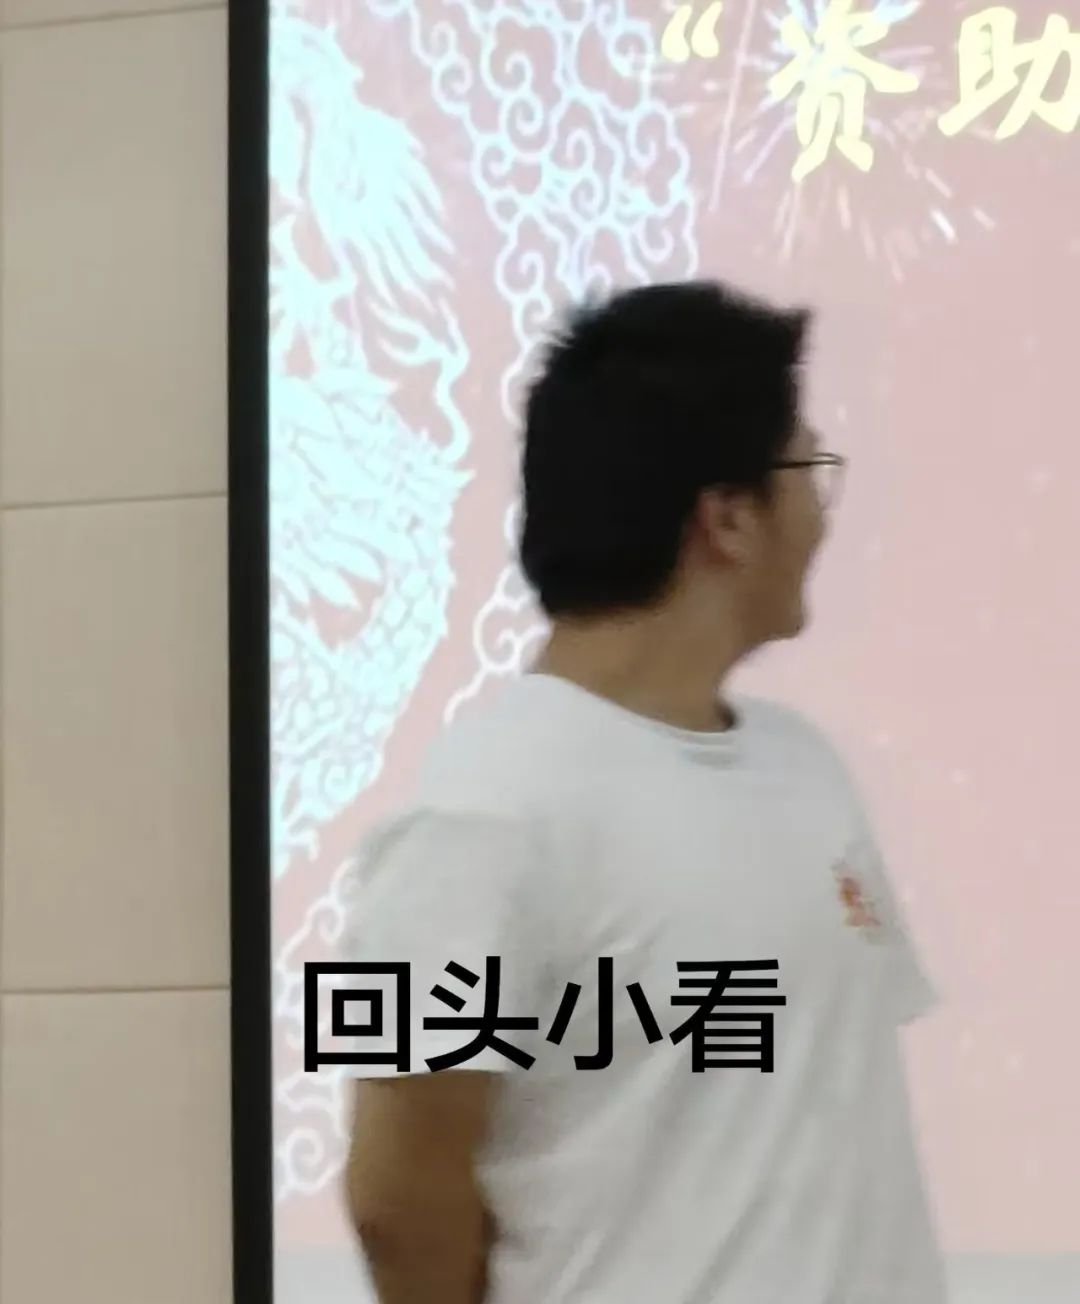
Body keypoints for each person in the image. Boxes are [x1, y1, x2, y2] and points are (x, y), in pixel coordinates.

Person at [341, 280, 945, 1303]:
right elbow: (390, 1202)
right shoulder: (463, 816)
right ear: (729, 518)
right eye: (808, 470)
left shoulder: (809, 767)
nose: (820, 514)